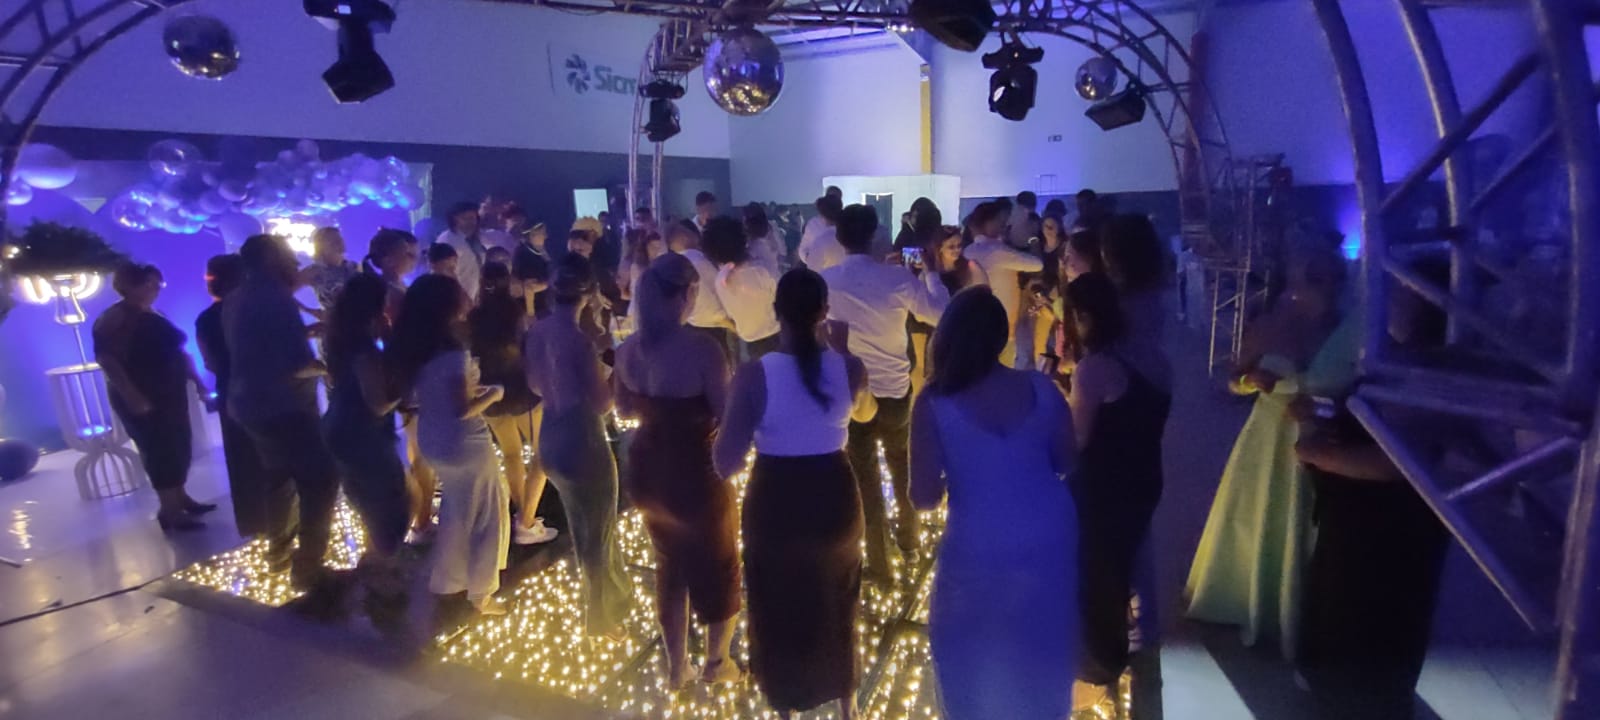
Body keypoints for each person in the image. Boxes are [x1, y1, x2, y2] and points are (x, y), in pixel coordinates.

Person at [907, 285, 1078, 720]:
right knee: (1041, 644)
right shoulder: (1041, 387)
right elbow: (1066, 460)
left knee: (966, 654)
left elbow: (923, 496)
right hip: (1048, 530)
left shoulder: (934, 401)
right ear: (1001, 336)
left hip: (979, 540)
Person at [714, 268, 875, 719]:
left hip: (776, 501)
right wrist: (844, 353)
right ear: (825, 312)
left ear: (776, 313)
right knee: (839, 598)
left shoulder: (753, 376)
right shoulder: (849, 367)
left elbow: (725, 462)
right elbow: (866, 414)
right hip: (834, 498)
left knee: (776, 603)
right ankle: (847, 701)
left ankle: (786, 703)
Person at [1185, 242, 1358, 660]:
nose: (1322, 286)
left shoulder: (1348, 333)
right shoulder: (1268, 325)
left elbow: (1361, 396)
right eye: (1313, 277)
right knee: (1260, 516)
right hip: (1267, 438)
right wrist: (1251, 382)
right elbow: (1232, 379)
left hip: (1325, 441)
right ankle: (1253, 600)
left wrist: (1326, 410)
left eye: (1328, 278)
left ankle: (1308, 611)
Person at [614, 253, 741, 688]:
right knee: (719, 564)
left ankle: (676, 667)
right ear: (686, 294)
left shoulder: (628, 349)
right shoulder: (702, 350)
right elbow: (726, 414)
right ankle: (717, 662)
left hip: (648, 471)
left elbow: (623, 408)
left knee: (669, 567)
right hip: (694, 474)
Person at [819, 204, 950, 583]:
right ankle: (909, 543)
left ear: (840, 238)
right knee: (901, 465)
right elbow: (940, 313)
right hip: (894, 390)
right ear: (874, 234)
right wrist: (931, 273)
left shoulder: (825, 280)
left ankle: (879, 564)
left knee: (865, 480)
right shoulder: (896, 278)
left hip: (850, 392)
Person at [1061, 272, 1172, 712]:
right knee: (1131, 561)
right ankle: (1138, 641)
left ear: (1083, 317)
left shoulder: (1094, 369)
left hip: (1104, 488)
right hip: (1145, 476)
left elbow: (1075, 442)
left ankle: (1098, 670)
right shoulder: (1152, 355)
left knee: (1097, 575)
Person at [223, 234, 341, 592]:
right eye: (289, 255)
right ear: (272, 259)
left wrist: (305, 332)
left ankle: (278, 555)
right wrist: (332, 369)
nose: (295, 262)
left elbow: (256, 347)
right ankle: (309, 567)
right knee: (320, 479)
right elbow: (296, 366)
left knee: (279, 478)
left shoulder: (237, 297)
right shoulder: (276, 297)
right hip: (283, 405)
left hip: (247, 403)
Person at [524, 254, 634, 635]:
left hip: (551, 434)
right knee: (598, 531)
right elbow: (604, 403)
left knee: (581, 526)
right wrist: (617, 366)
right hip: (582, 438)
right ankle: (600, 615)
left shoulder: (537, 332)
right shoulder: (580, 341)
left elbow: (535, 385)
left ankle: (604, 605)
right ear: (588, 294)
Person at [391, 273, 511, 617]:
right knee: (489, 511)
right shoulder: (453, 352)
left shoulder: (416, 348)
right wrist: (495, 394)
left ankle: (448, 581)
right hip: (463, 440)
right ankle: (482, 592)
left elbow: (425, 395)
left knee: (457, 511)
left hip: (432, 437)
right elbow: (462, 408)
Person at [319, 272, 412, 630]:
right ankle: (383, 584)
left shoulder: (341, 338)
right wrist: (407, 388)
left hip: (339, 426)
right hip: (362, 431)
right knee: (390, 504)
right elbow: (378, 403)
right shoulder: (364, 349)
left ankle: (375, 566)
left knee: (369, 499)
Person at [95, 263, 215, 531]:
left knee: (178, 444)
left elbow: (179, 352)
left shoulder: (154, 313)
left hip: (169, 391)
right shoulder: (115, 318)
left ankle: (180, 497)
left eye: (156, 283)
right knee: (158, 448)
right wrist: (132, 394)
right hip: (143, 392)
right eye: (148, 283)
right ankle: (169, 509)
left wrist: (197, 382)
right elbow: (108, 359)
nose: (154, 289)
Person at [469, 261, 558, 546]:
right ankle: (527, 520)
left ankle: (521, 515)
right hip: (520, 389)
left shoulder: (474, 316)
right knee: (543, 452)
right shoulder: (513, 312)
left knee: (510, 454)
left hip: (489, 392)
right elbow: (528, 344)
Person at [197, 254, 273, 540]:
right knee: (273, 456)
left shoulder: (205, 318)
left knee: (241, 458)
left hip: (231, 391)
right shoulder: (254, 312)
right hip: (263, 388)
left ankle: (256, 524)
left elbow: (210, 362)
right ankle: (283, 520)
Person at [963, 201, 1043, 367]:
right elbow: (1037, 264)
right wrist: (1033, 238)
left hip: (975, 324)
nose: (1004, 224)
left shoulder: (968, 251)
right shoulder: (997, 250)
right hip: (1002, 326)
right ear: (988, 222)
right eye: (999, 220)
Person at [704, 217, 781, 358]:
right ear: (743, 241)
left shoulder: (720, 280)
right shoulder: (759, 272)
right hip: (774, 334)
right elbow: (781, 295)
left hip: (749, 341)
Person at [667, 220, 733, 361]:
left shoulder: (679, 263)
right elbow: (710, 297)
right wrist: (729, 322)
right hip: (712, 326)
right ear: (683, 237)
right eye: (688, 231)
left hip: (697, 325)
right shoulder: (696, 260)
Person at [437, 201, 510, 302]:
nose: (470, 222)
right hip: (455, 298)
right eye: (465, 218)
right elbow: (443, 273)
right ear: (454, 219)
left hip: (477, 297)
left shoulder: (480, 238)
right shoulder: (447, 240)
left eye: (472, 218)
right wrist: (462, 298)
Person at [364, 228, 420, 323]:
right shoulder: (388, 292)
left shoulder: (404, 285)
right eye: (409, 255)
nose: (415, 260)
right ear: (388, 260)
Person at [301, 227, 359, 315]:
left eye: (340, 239)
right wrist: (311, 311)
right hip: (336, 322)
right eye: (334, 241)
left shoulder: (353, 267)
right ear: (321, 247)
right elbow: (285, 291)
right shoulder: (314, 271)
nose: (340, 243)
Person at [512, 222, 554, 319]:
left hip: (541, 306)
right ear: (532, 235)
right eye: (543, 233)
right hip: (534, 310)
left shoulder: (539, 252)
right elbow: (529, 287)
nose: (546, 236)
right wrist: (531, 315)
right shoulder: (525, 255)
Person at [797, 194, 847, 271]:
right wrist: (809, 259)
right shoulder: (814, 224)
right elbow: (803, 249)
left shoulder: (847, 225)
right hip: (820, 272)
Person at [745, 203, 787, 276]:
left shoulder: (770, 227)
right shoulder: (771, 226)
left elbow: (782, 251)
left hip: (762, 274)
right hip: (770, 273)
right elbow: (782, 252)